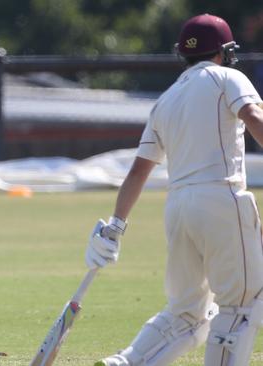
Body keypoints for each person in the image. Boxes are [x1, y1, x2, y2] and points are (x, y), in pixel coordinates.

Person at [87, 14, 263, 366]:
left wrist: (115, 227)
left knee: (186, 312)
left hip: (179, 208)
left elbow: (138, 170)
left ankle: (126, 362)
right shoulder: (229, 77)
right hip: (222, 199)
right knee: (241, 305)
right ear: (225, 52)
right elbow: (253, 117)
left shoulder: (165, 100)